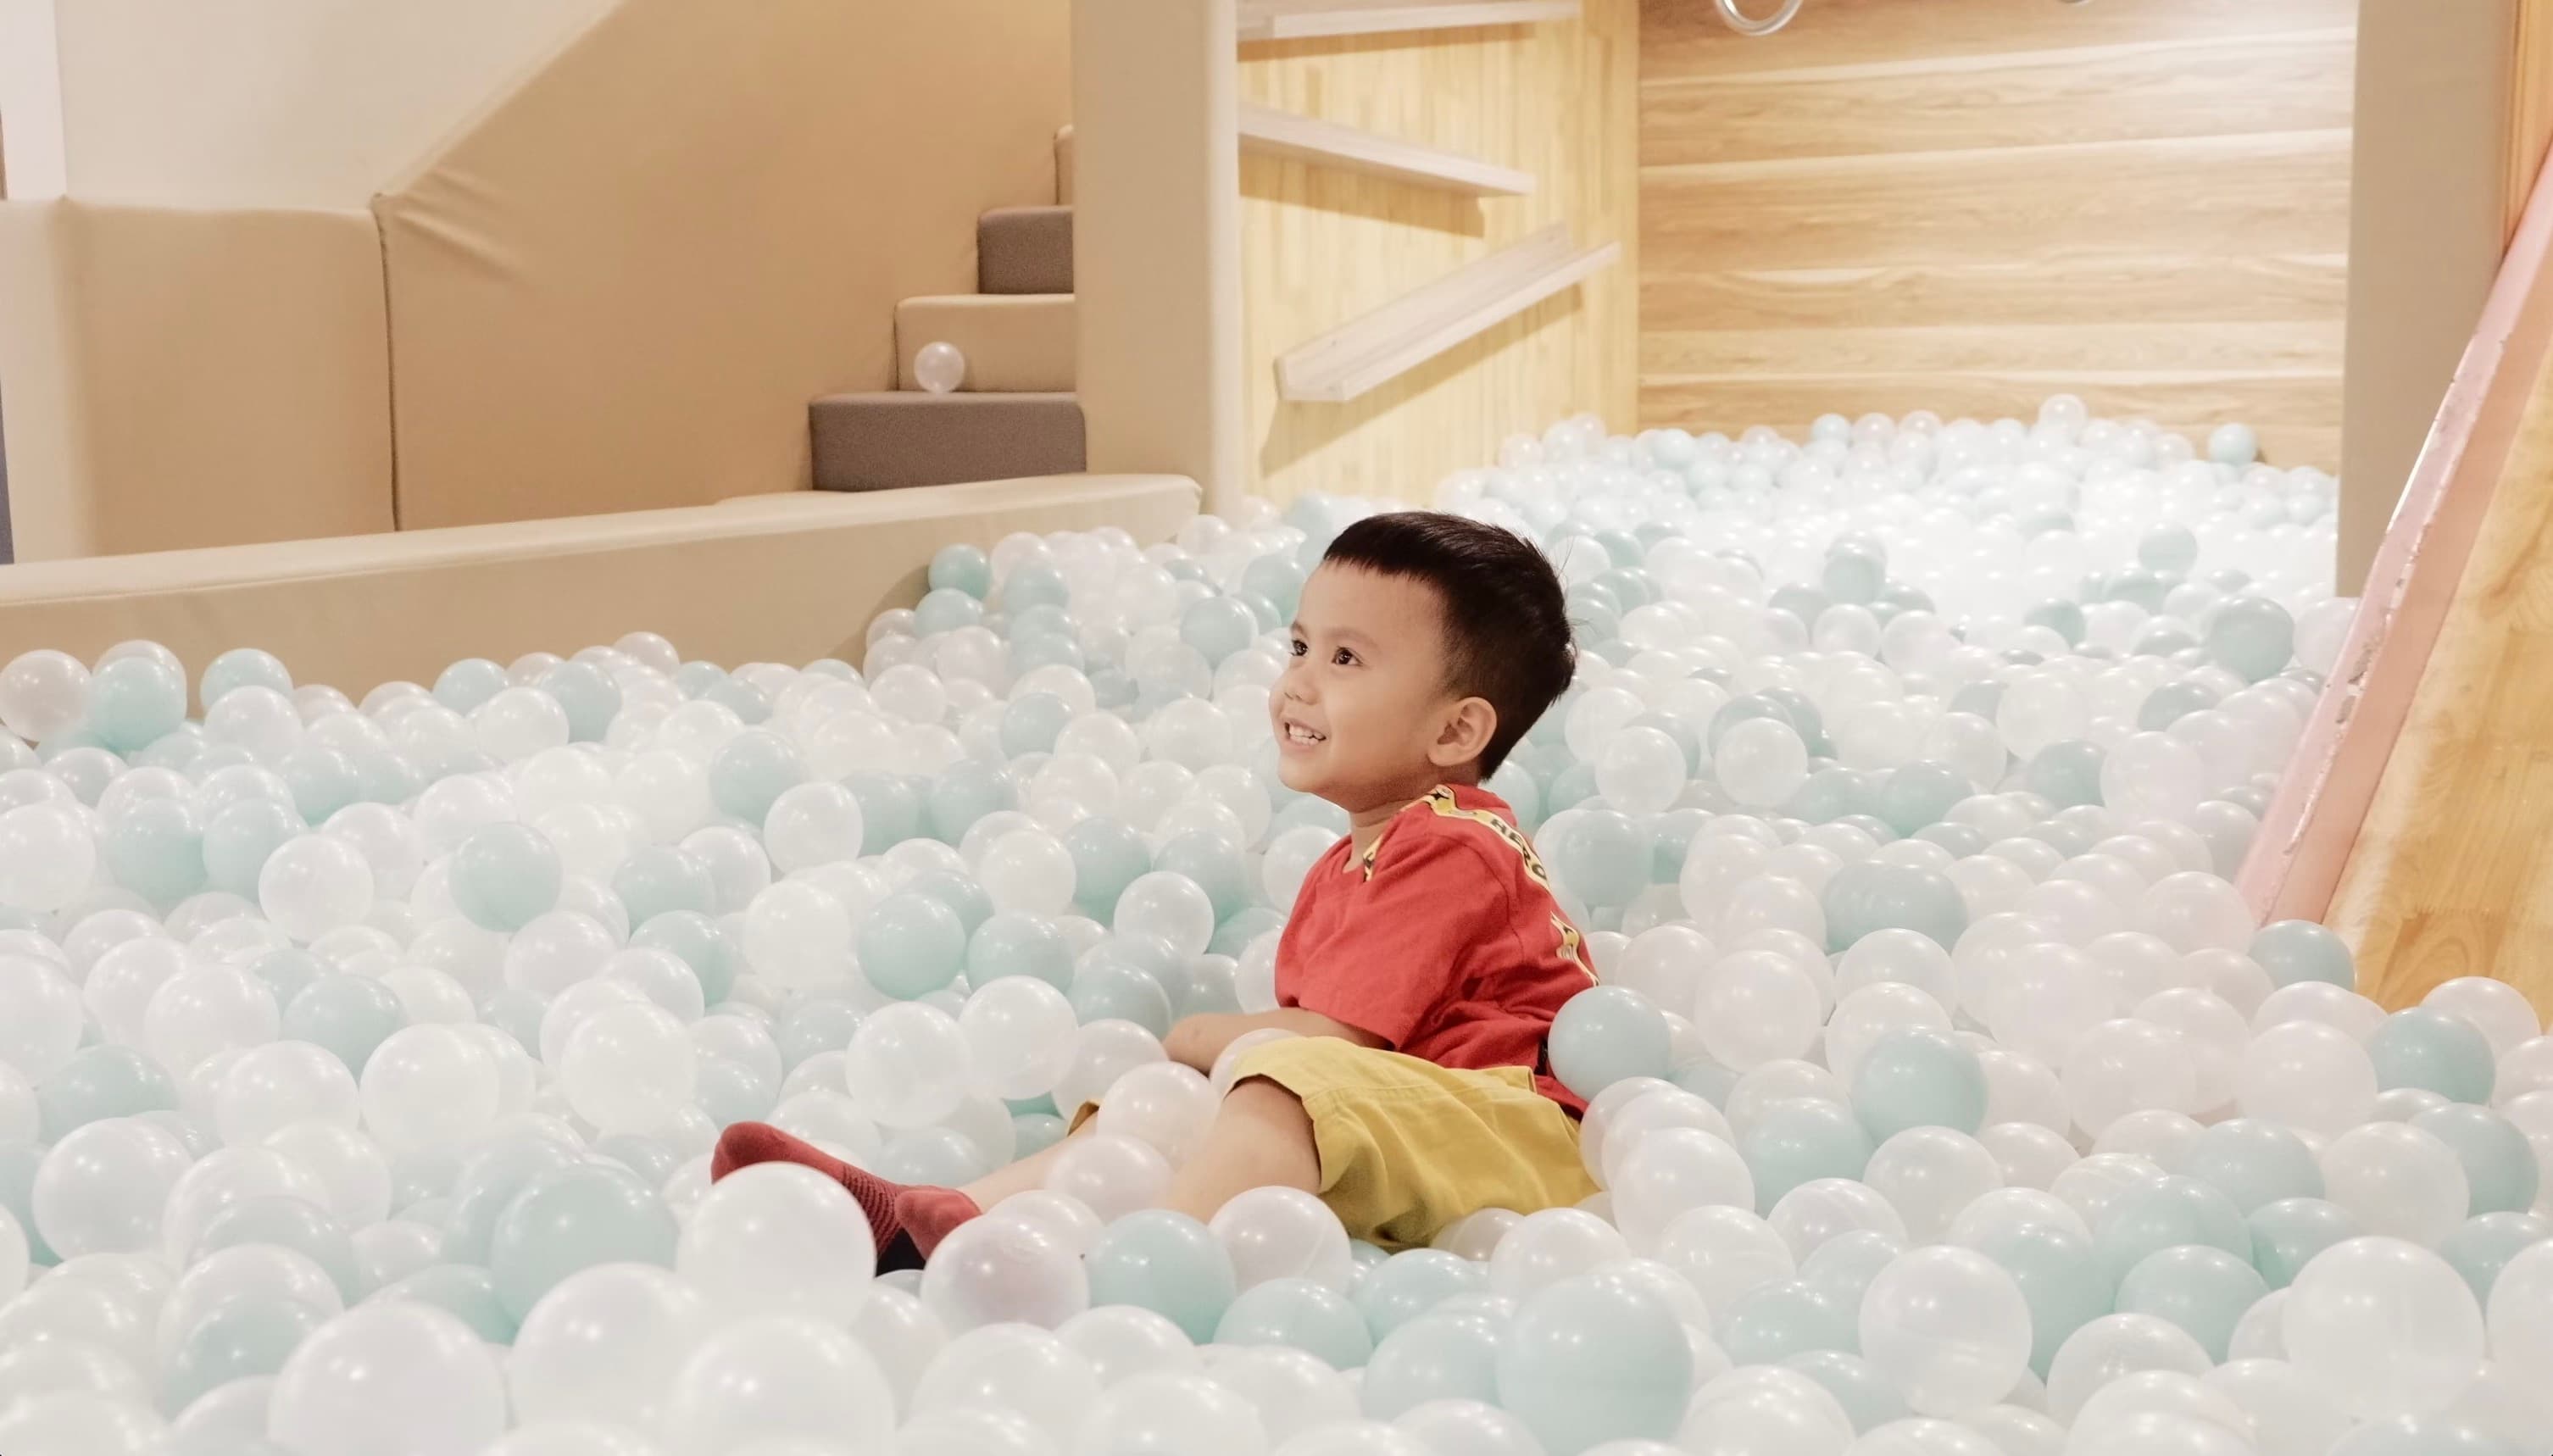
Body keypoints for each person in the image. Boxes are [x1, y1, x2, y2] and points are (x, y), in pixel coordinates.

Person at [711, 510, 1601, 1266]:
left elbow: (1340, 1038)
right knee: (1172, 1095)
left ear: (1457, 729)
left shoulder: (1452, 841)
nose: (1296, 679)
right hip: (1415, 1126)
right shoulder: (1353, 860)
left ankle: (1143, 1268)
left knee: (1272, 1079)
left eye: (1345, 659)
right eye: (1299, 645)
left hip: (1511, 1134)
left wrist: (1197, 1032)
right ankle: (940, 1224)